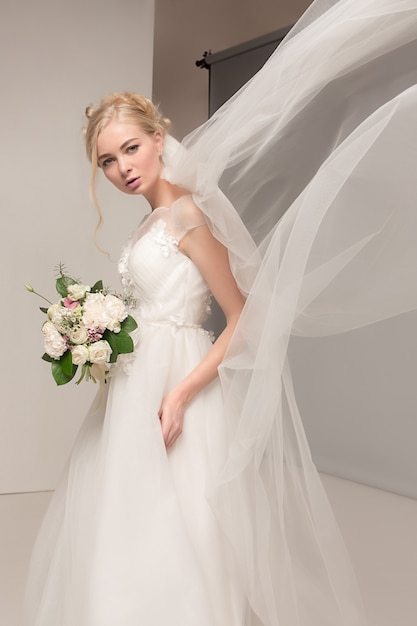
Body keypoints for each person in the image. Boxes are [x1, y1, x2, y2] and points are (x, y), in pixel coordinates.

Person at [25, 1, 417, 625]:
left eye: (130, 148)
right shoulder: (152, 221)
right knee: (126, 511)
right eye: (107, 160)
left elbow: (245, 318)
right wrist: (94, 333)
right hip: (133, 386)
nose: (123, 167)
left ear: (159, 138)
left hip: (178, 379)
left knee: (182, 520)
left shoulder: (185, 214)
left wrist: (182, 392)